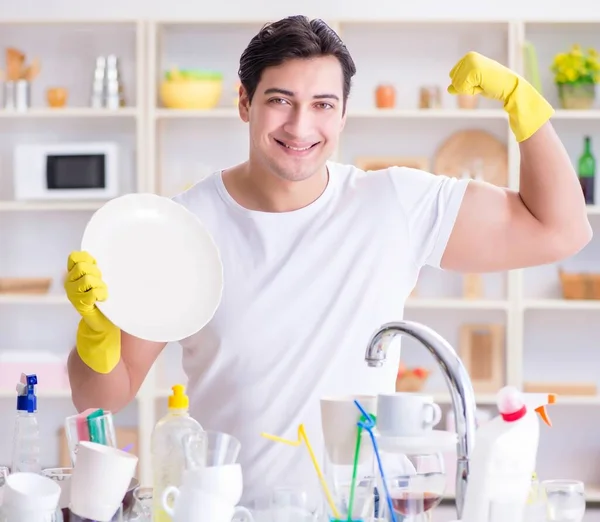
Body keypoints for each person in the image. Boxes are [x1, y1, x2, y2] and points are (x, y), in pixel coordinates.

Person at [64, 15, 591, 506]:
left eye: (322, 104)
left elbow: (561, 230)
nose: (300, 126)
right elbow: (102, 397)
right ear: (244, 102)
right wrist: (96, 334)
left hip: (358, 511)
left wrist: (524, 104)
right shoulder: (181, 227)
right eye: (280, 100)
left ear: (342, 113)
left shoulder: (395, 205)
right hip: (233, 512)